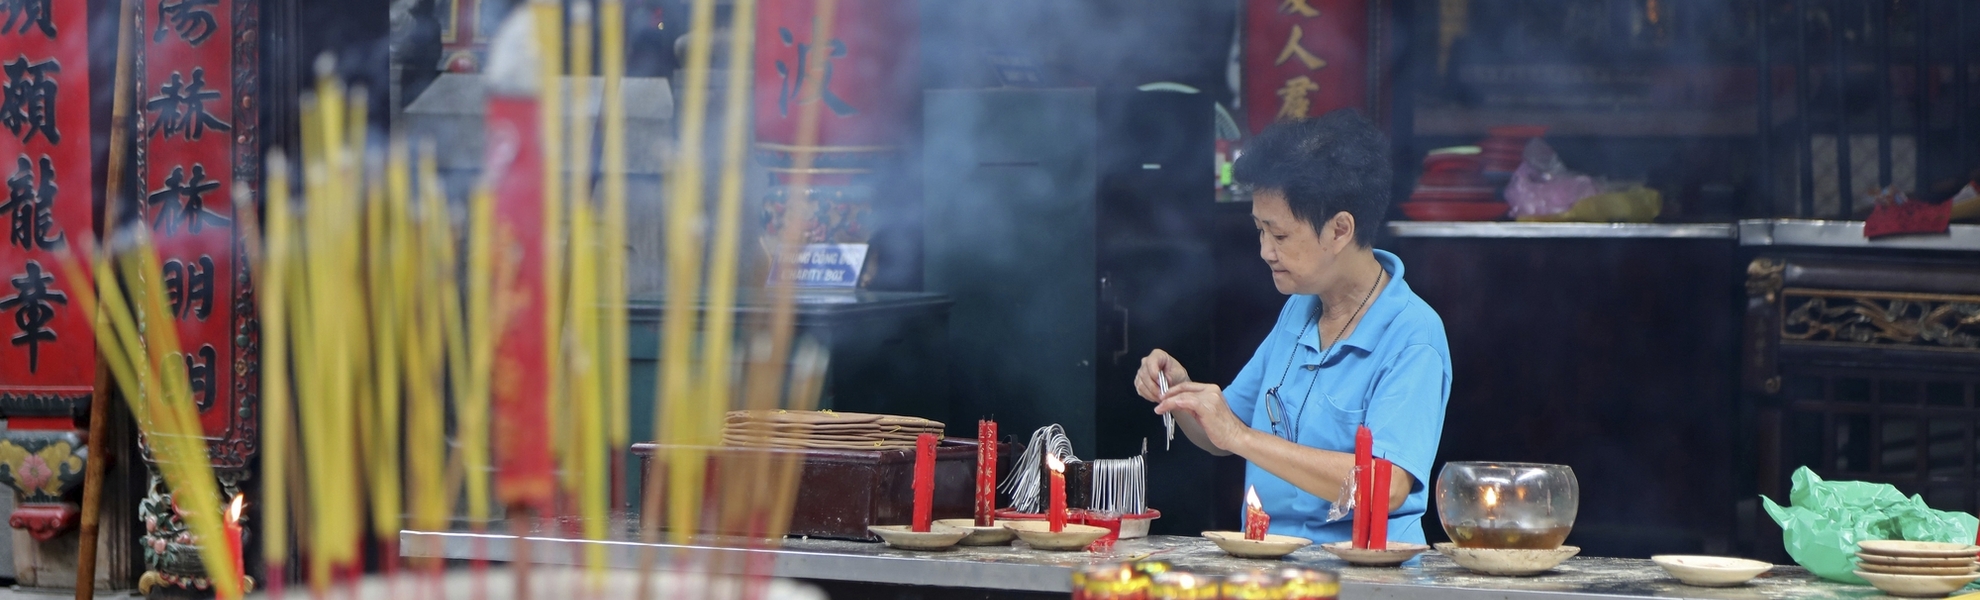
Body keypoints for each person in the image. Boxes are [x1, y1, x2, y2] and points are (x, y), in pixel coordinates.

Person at [1134, 110, 1451, 545]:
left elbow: (1387, 487)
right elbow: (1222, 436)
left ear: (1339, 230)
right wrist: (1183, 394)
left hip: (1363, 579)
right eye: (1259, 230)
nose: (1265, 251)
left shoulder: (1413, 334)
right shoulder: (1300, 311)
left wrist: (1241, 436)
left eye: (1279, 235)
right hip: (1272, 566)